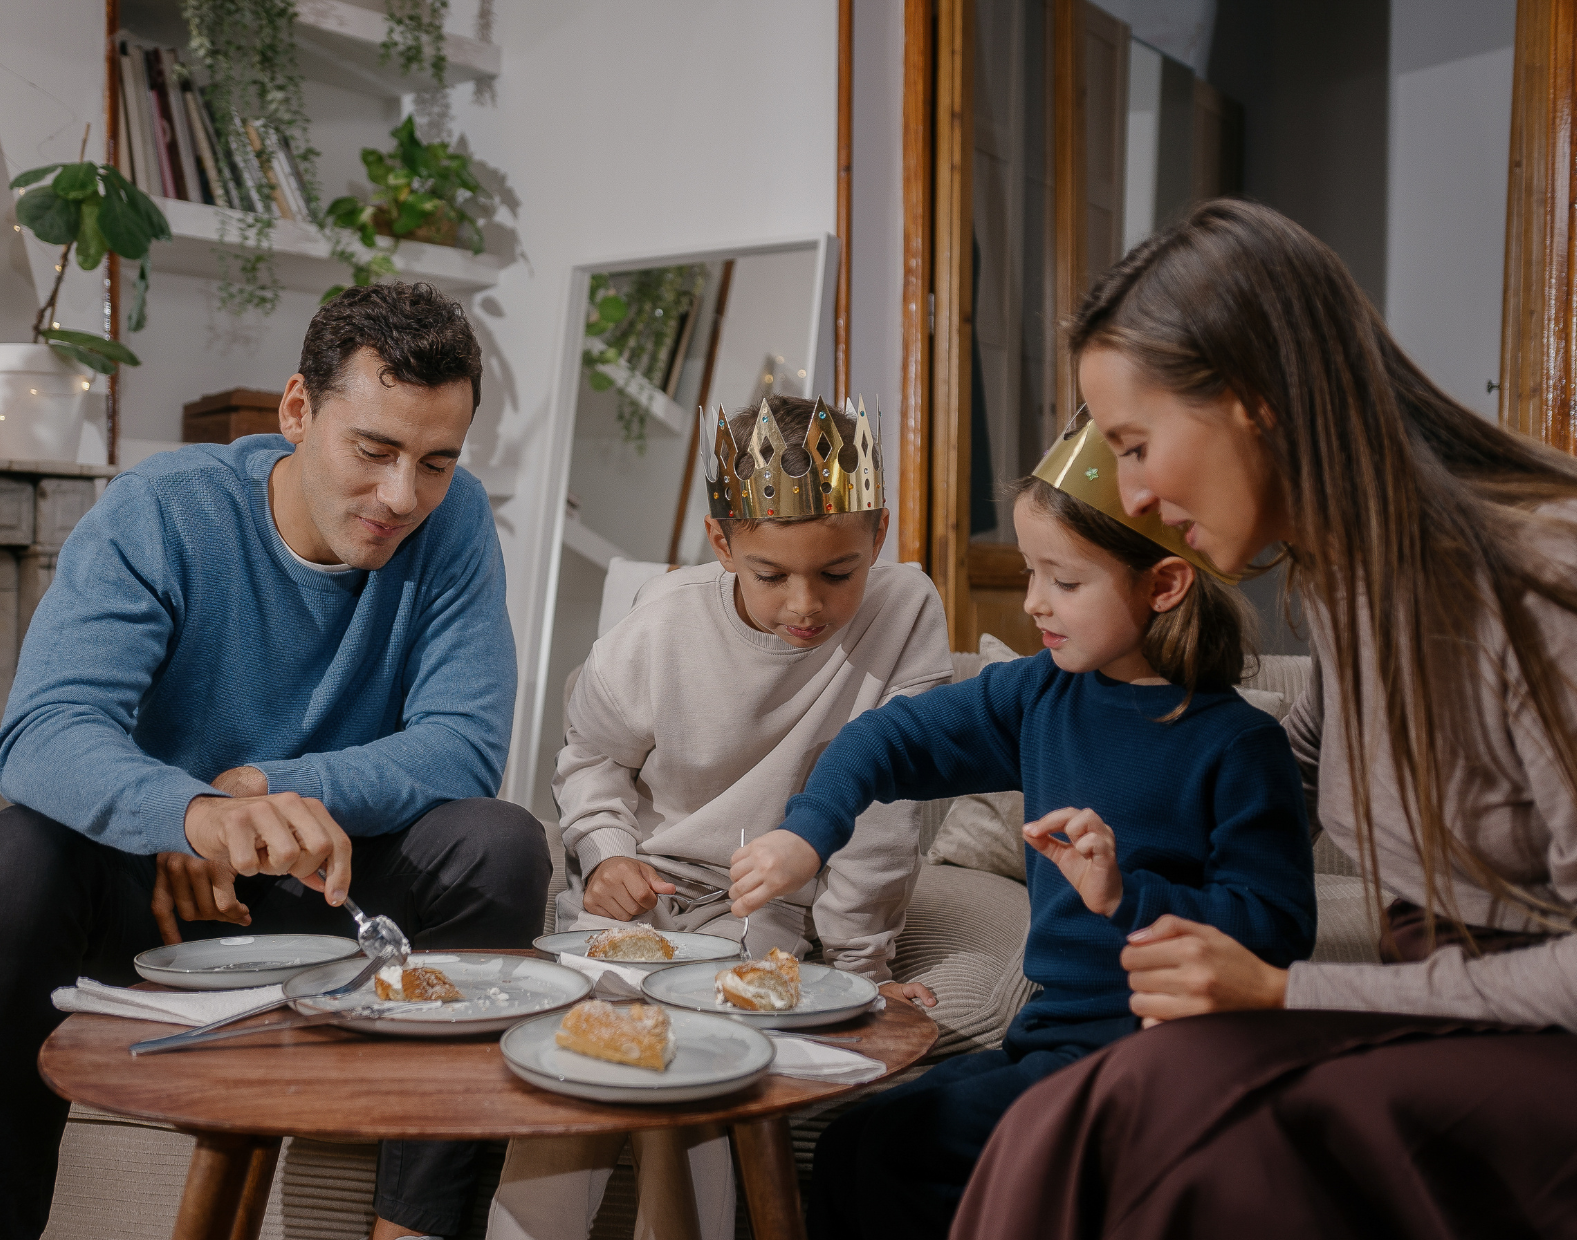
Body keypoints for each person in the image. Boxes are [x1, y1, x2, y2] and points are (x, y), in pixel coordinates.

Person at [948, 199, 1577, 1240]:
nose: (1134, 495)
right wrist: (1121, 828)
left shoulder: (1540, 584)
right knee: (1064, 1113)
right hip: (1439, 1006)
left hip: (1538, 1043)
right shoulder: (1350, 588)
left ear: (1252, 402)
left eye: (1137, 446)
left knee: (1184, 1131)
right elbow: (1276, 765)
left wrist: (1284, 992)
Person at [0, 283, 551, 1240]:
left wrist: (265, 788)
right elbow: (43, 730)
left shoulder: (454, 520)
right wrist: (191, 815)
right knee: (16, 856)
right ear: (298, 410)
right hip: (166, 888)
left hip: (331, 884)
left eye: (436, 462)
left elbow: (464, 741)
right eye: (374, 451)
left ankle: (418, 1230)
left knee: (500, 843)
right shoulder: (161, 513)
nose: (402, 497)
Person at [729, 414, 1317, 1240]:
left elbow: (1280, 931)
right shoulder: (1040, 695)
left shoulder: (1237, 745)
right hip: (1050, 1042)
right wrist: (808, 834)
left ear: (1165, 585)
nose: (1034, 599)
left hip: (1160, 1058)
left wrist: (1128, 896)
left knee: (903, 1150)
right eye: (1032, 570)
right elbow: (883, 738)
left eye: (1065, 581)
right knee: (850, 1140)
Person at [484, 396, 948, 1240]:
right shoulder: (660, 626)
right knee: (576, 1054)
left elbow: (889, 813)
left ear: (878, 536)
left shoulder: (908, 610)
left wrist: (862, 967)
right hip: (643, 892)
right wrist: (605, 851)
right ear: (723, 542)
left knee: (704, 1062)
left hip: (766, 902)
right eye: (770, 574)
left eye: (838, 572)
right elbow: (591, 756)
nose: (804, 604)